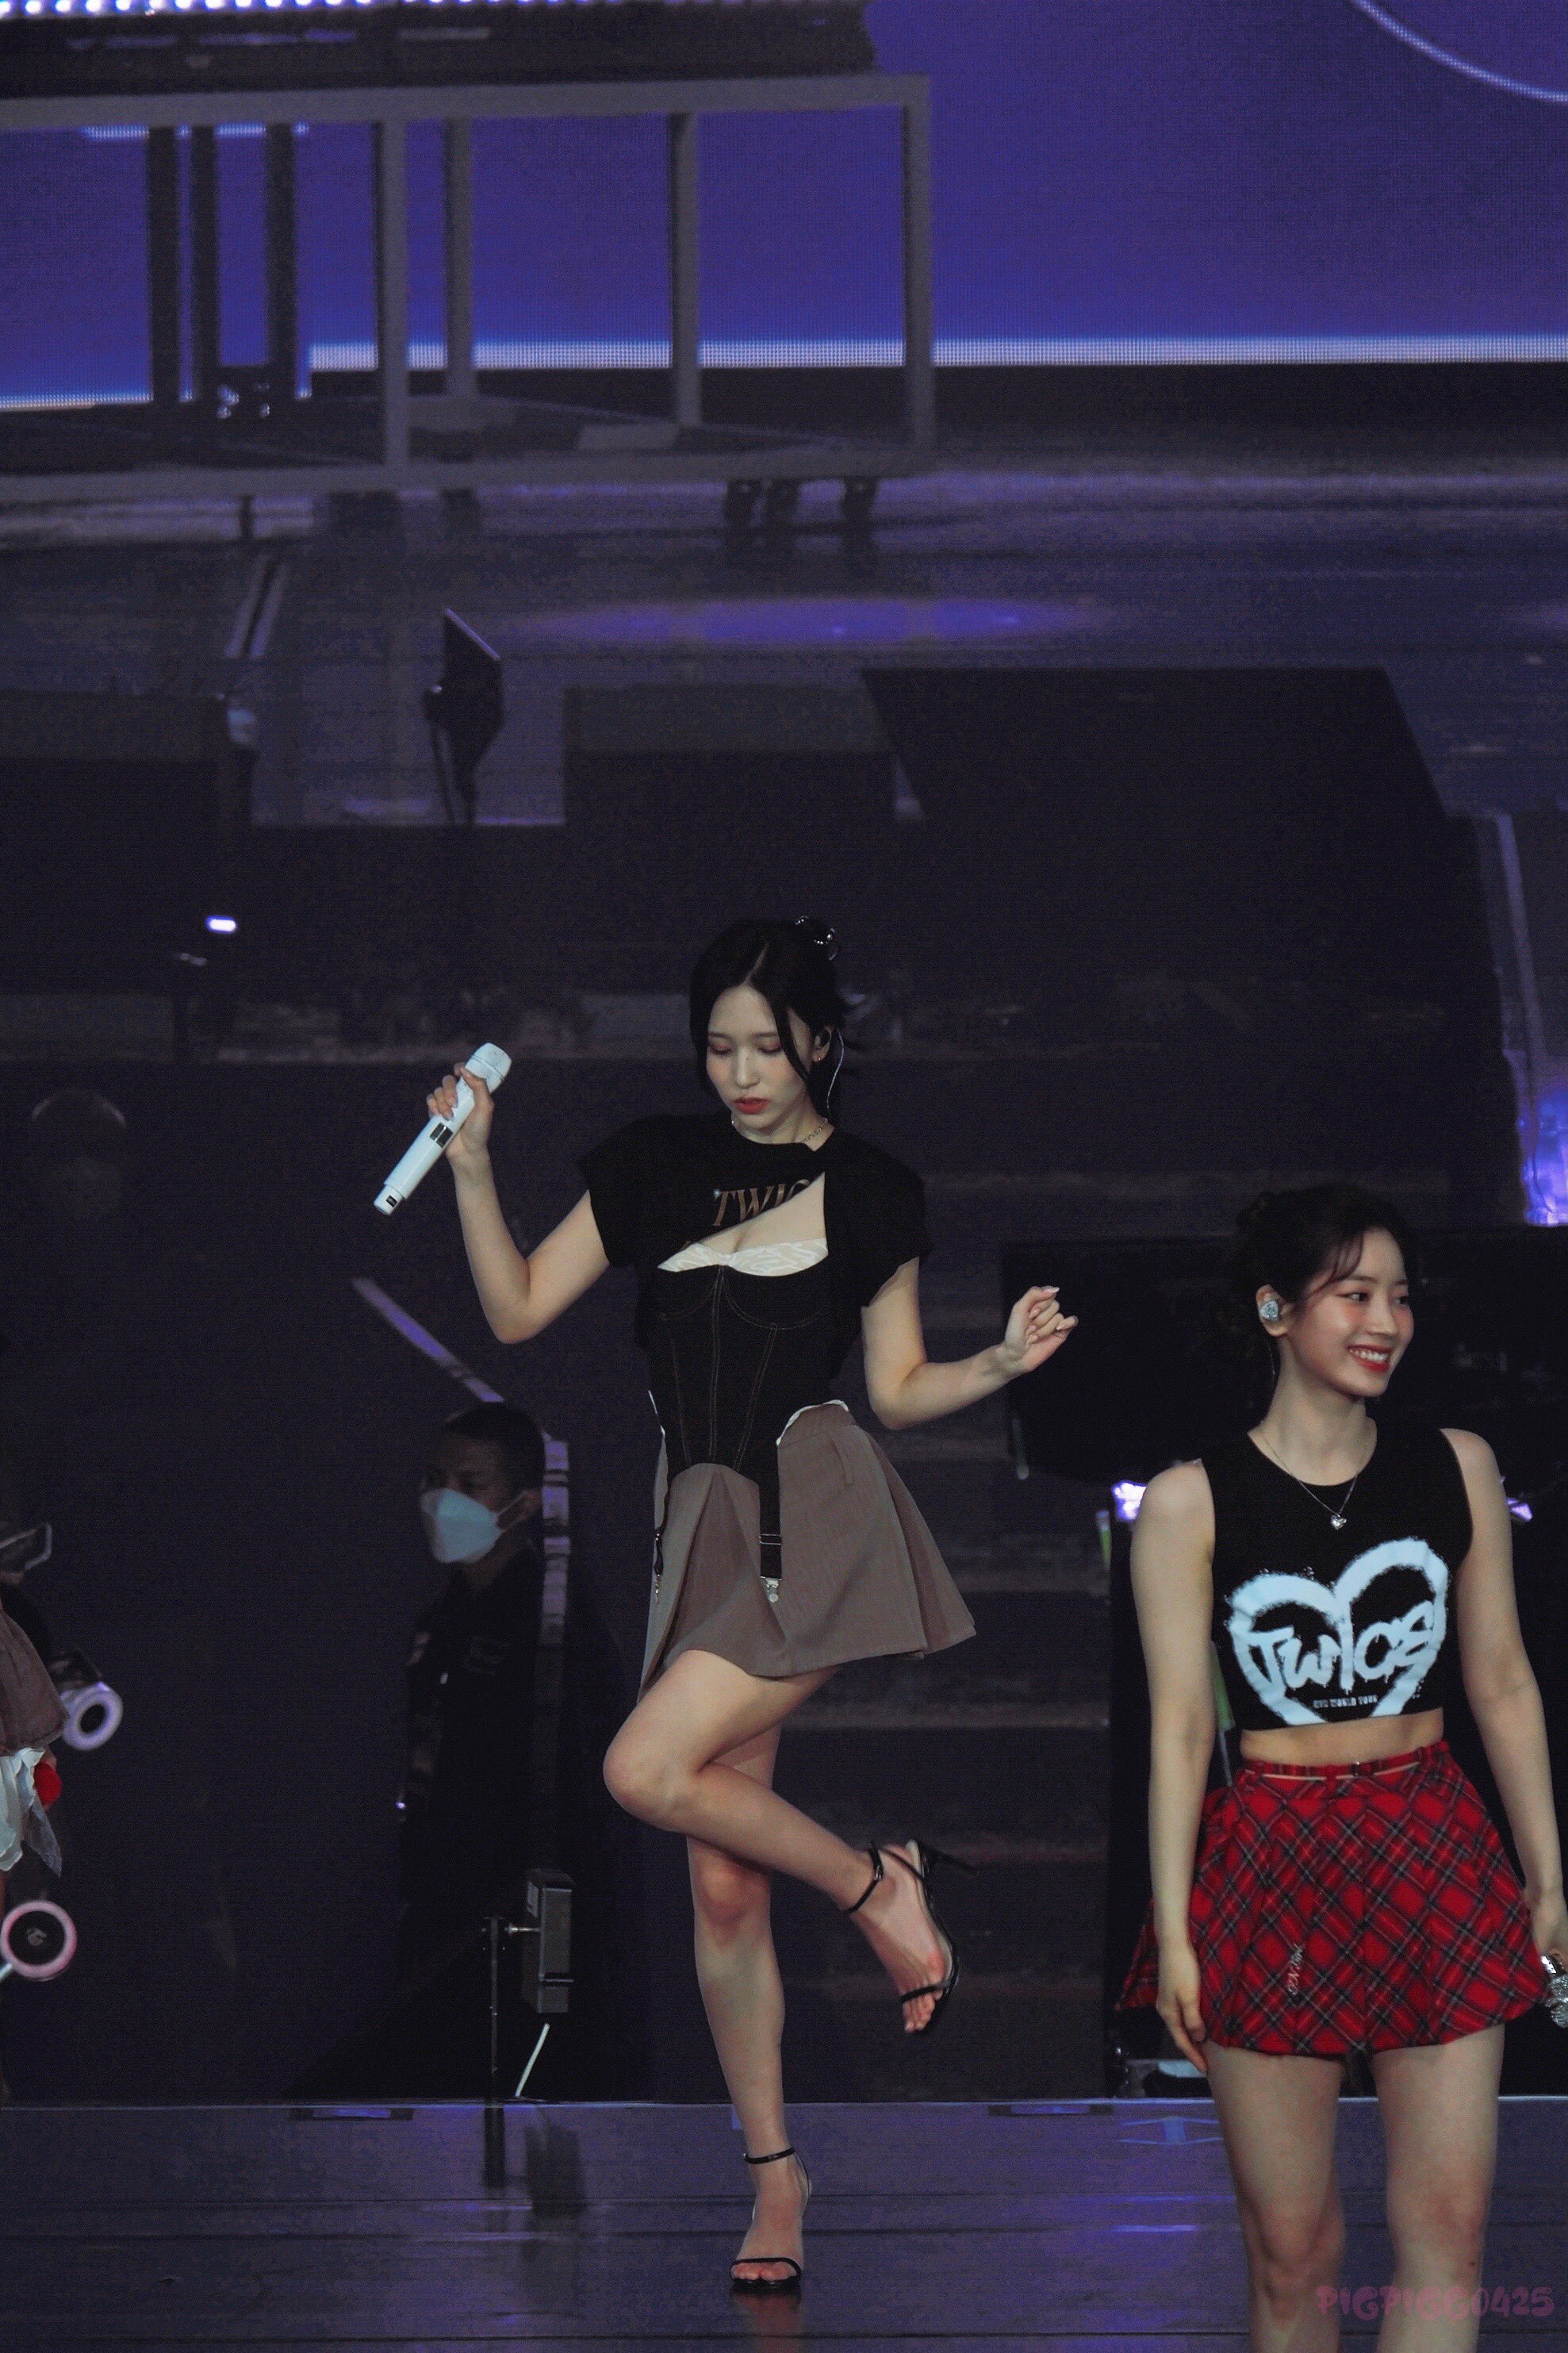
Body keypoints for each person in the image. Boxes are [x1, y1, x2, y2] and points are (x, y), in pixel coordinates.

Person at [424, 916, 1075, 2291]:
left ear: (819, 1043)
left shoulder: (873, 1188)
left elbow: (894, 1389)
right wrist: (473, 1164)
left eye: (765, 1047)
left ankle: (872, 1886)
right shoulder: (653, 1164)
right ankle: (776, 2178)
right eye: (718, 1047)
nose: (739, 1073)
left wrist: (998, 1366)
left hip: (814, 1513)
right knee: (720, 1885)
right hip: (698, 1525)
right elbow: (520, 1308)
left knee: (641, 1769)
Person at [1118, 1186, 1568, 2353]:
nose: (1386, 1321)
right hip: (1273, 1850)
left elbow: (1502, 1680)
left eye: (1399, 1296)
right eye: (1354, 1293)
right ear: (1275, 1309)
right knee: (1293, 2251)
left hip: (1433, 1840)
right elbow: (1180, 1730)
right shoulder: (1188, 1501)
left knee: (1448, 2228)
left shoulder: (1454, 1465)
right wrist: (1174, 1931)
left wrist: (1547, 1875)